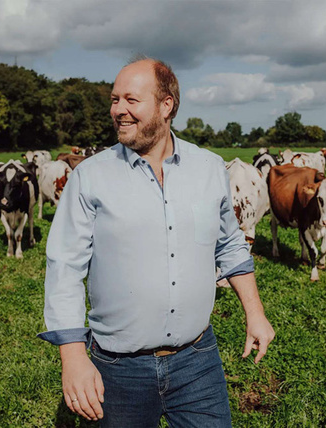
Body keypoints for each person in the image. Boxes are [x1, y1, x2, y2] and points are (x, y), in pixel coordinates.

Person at [38, 57, 275, 427]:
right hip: (119, 369)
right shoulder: (90, 177)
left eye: (131, 100)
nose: (118, 110)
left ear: (167, 105)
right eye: (114, 100)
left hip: (198, 361)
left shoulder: (209, 168)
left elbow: (229, 245)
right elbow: (65, 267)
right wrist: (73, 357)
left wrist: (255, 314)